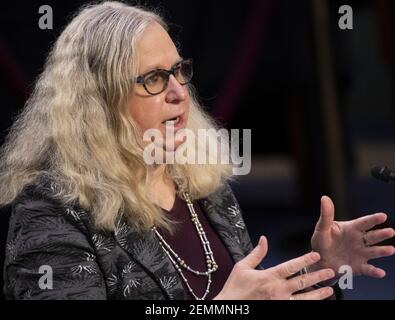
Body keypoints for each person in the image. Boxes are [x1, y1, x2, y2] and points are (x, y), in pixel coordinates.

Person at [0, 1, 394, 300]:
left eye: (178, 71)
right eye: (153, 78)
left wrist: (319, 269)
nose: (177, 92)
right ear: (99, 101)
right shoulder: (50, 209)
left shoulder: (200, 182)